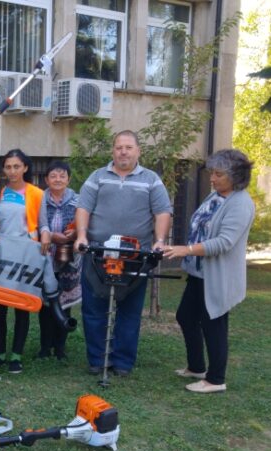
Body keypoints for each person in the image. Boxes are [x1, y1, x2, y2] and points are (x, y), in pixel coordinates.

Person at [74, 130, 172, 377]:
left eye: (129, 147)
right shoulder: (97, 177)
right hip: (98, 253)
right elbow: (83, 207)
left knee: (129, 311)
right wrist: (82, 236)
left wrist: (159, 241)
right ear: (113, 151)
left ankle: (122, 363)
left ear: (138, 151)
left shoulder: (151, 180)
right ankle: (97, 360)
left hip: (136, 256)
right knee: (93, 309)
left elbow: (162, 211)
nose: (123, 152)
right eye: (119, 147)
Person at [163, 149, 256, 394]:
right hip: (199, 273)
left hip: (218, 276)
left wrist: (187, 249)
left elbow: (225, 242)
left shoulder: (241, 203)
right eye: (212, 173)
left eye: (218, 174)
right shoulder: (216, 196)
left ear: (236, 176)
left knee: (213, 324)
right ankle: (196, 367)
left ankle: (216, 379)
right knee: (185, 316)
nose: (212, 178)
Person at [0, 149, 44, 374]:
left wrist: (45, 238)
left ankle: (16, 356)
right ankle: (0, 352)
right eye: (8, 167)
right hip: (2, 256)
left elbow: (44, 223)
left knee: (23, 305)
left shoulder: (37, 194)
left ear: (25, 168)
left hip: (26, 256)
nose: (12, 171)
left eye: (16, 166)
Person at [38, 161, 81, 361]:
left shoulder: (78, 201)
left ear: (68, 179)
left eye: (62, 176)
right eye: (53, 176)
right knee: (45, 305)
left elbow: (87, 223)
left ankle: (60, 347)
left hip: (68, 260)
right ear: (46, 179)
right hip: (44, 258)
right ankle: (45, 347)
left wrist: (75, 232)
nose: (58, 179)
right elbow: (33, 223)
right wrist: (50, 235)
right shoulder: (39, 199)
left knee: (65, 303)